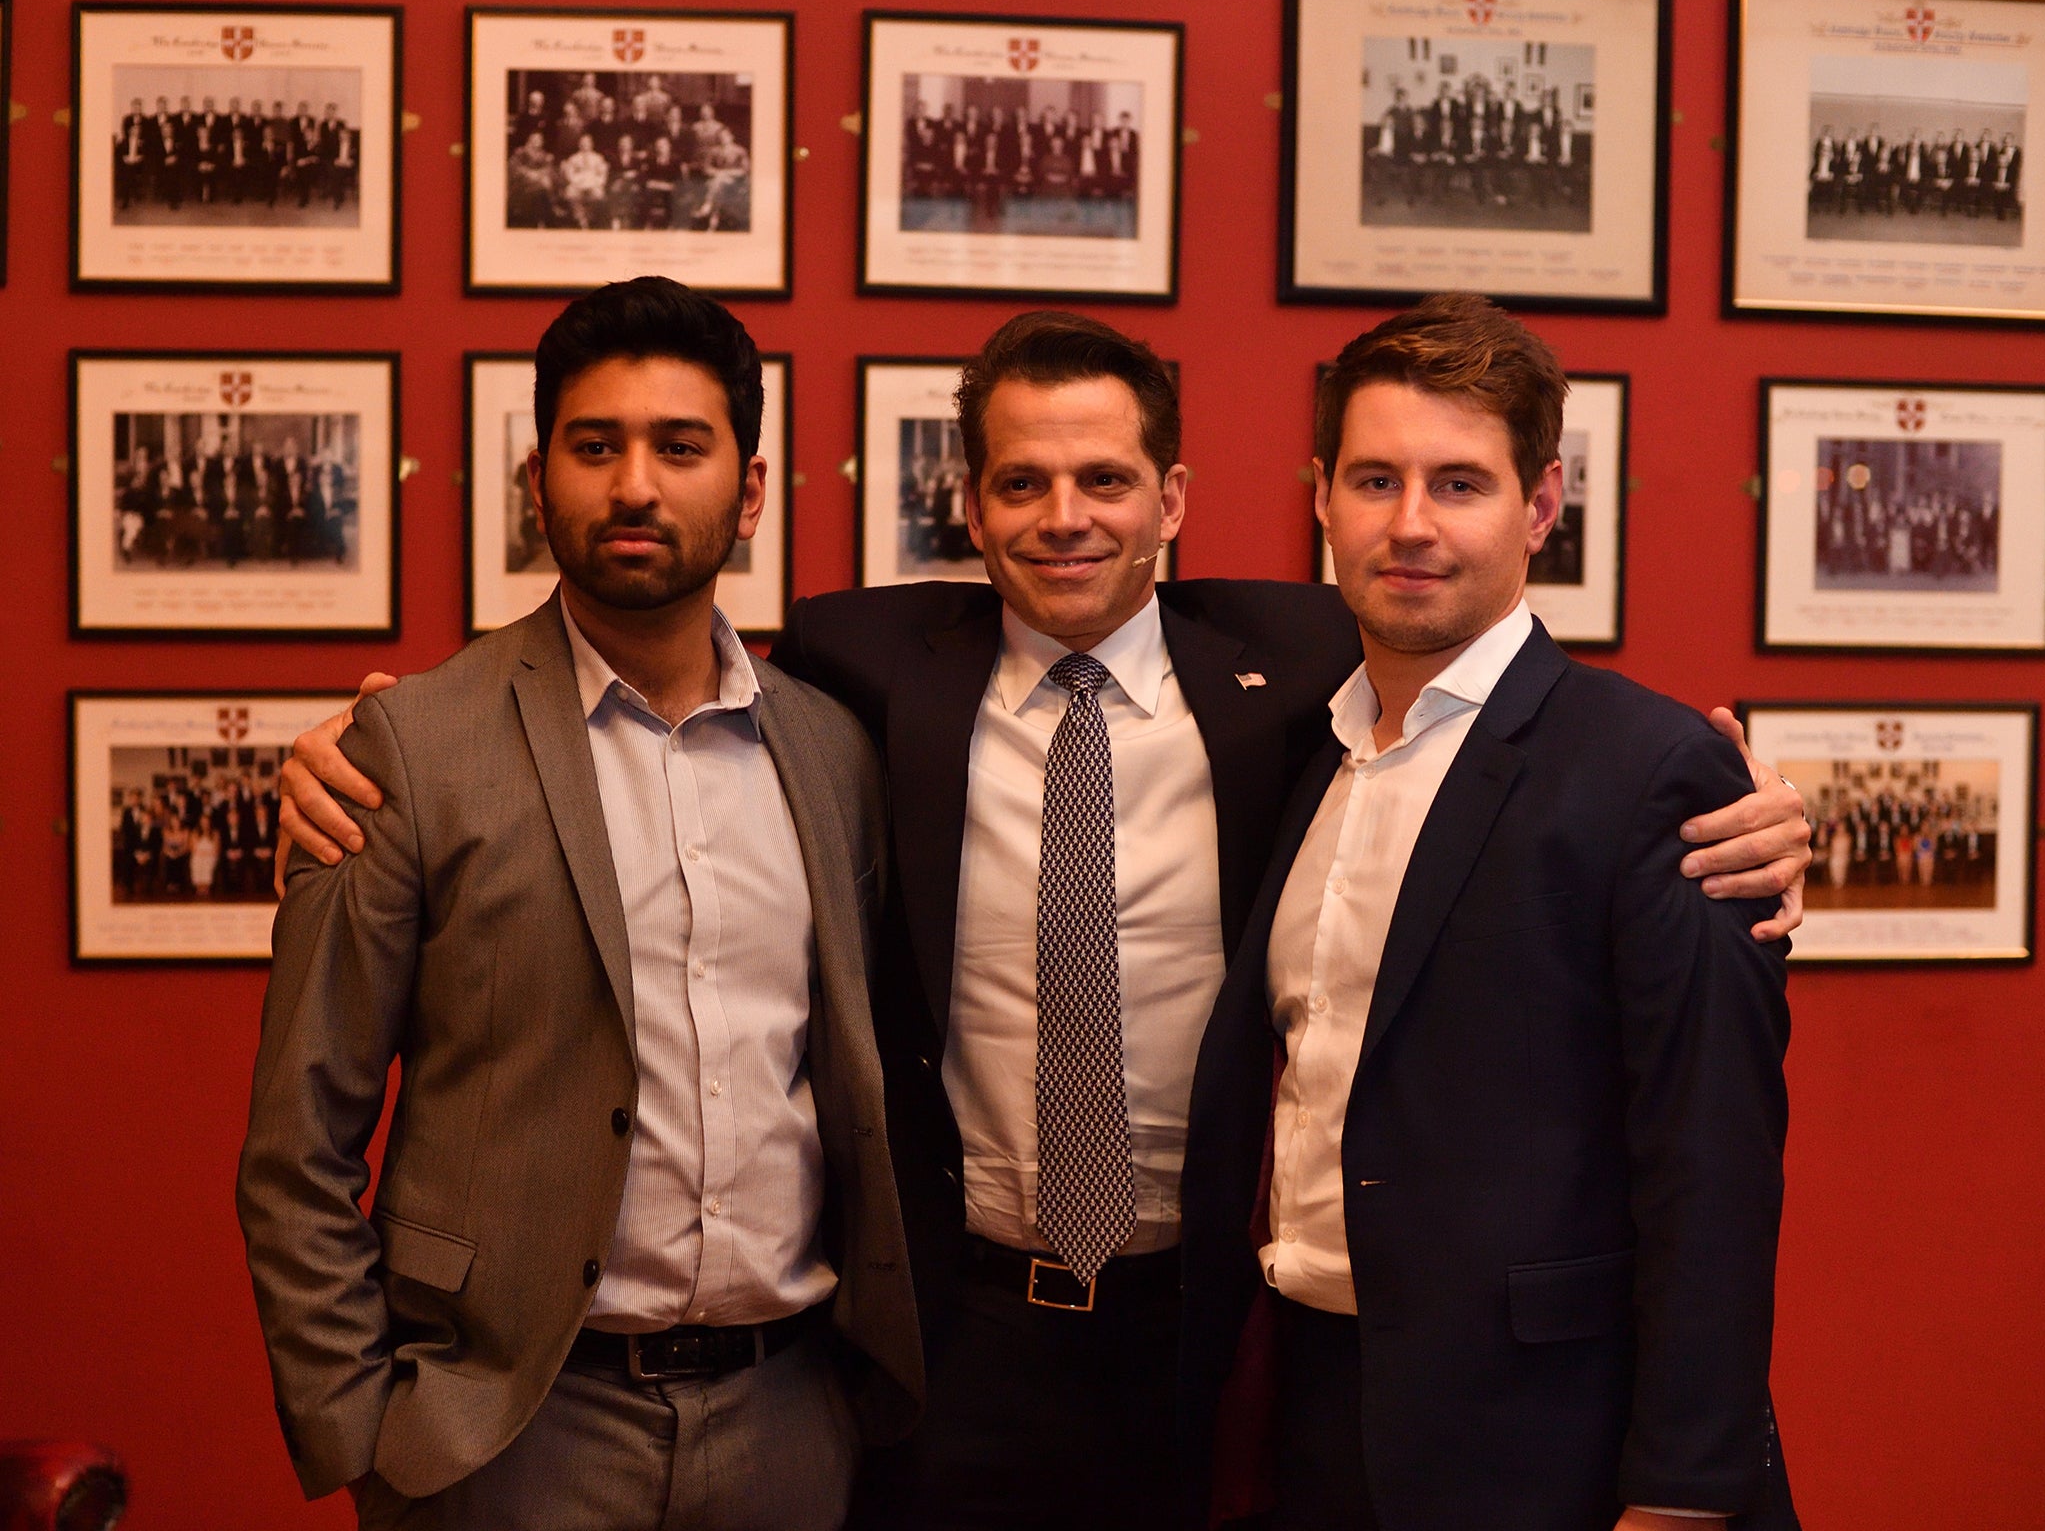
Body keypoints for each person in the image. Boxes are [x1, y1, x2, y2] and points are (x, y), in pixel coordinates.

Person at [277, 306, 1808, 1531]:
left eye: (1106, 481)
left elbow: (1515, 720)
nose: (1065, 518)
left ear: (1179, 501)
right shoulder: (864, 676)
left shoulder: (1290, 676)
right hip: (957, 1337)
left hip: (1213, 1336)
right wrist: (371, 741)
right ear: (968, 501)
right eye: (1020, 481)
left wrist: (1736, 799)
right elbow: (609, 646)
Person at [237, 278, 922, 1531]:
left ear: (751, 491)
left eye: (680, 446)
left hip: (791, 1423)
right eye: (593, 446)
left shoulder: (834, 756)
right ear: (537, 478)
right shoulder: (409, 749)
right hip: (509, 1433)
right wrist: (368, 1437)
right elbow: (297, 1145)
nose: (635, 486)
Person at [1180, 294, 1798, 1531]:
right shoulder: (1299, 748)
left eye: (1458, 484)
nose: (1408, 525)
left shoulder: (1648, 770)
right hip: (1308, 1407)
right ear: (1319, 497)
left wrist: (1681, 1493)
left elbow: (1712, 1163)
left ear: (1541, 506)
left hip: (1543, 1442)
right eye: (1373, 480)